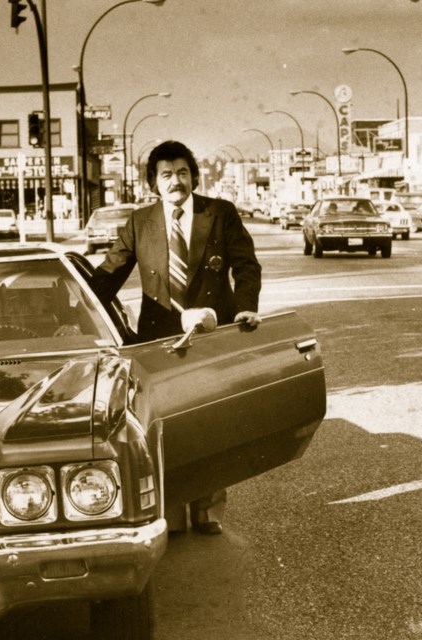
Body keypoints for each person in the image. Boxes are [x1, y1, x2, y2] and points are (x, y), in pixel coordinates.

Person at [90, 140, 263, 535]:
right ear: (154, 182)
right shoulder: (140, 222)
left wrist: (245, 307)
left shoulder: (220, 213)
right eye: (166, 174)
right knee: (164, 426)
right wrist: (78, 308)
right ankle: (170, 512)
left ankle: (207, 512)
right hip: (160, 339)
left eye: (183, 173)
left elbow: (246, 265)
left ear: (194, 176)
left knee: (211, 421)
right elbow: (109, 274)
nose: (176, 181)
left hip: (210, 332)